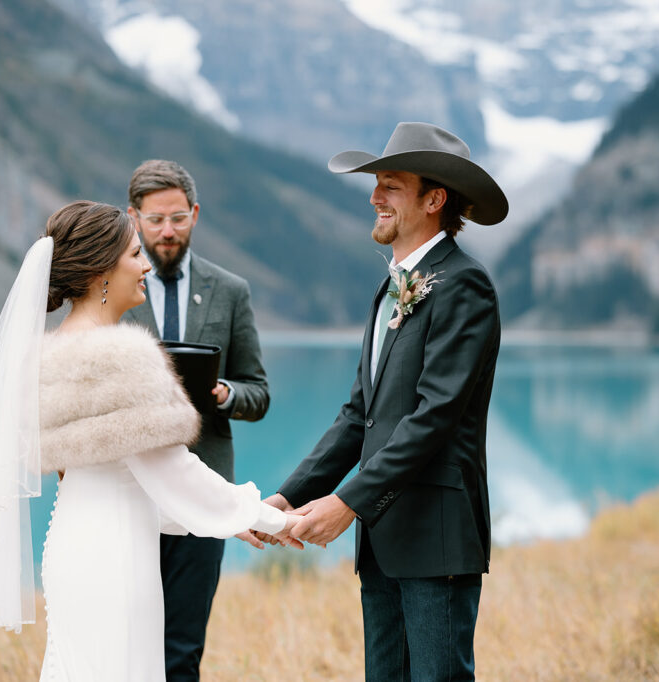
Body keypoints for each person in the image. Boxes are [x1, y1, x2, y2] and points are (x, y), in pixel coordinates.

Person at [0, 200, 296, 681]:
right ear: (101, 272)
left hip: (74, 545)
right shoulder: (124, 356)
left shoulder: (46, 355)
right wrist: (265, 515)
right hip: (114, 560)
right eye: (135, 254)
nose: (145, 266)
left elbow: (127, 477)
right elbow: (170, 470)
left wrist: (225, 521)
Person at [258, 122, 507, 681]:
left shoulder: (465, 284)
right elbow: (359, 417)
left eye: (390, 185)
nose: (374, 197)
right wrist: (287, 496)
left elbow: (434, 417)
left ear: (434, 199)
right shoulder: (393, 285)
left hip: (435, 537)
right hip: (384, 538)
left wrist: (347, 503)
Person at [123, 160, 270, 681]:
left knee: (182, 650)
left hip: (202, 492)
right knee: (126, 646)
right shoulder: (112, 287)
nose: (167, 231)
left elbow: (259, 392)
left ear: (196, 215)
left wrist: (225, 392)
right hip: (128, 491)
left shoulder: (231, 290)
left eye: (179, 218)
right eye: (156, 219)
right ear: (133, 217)